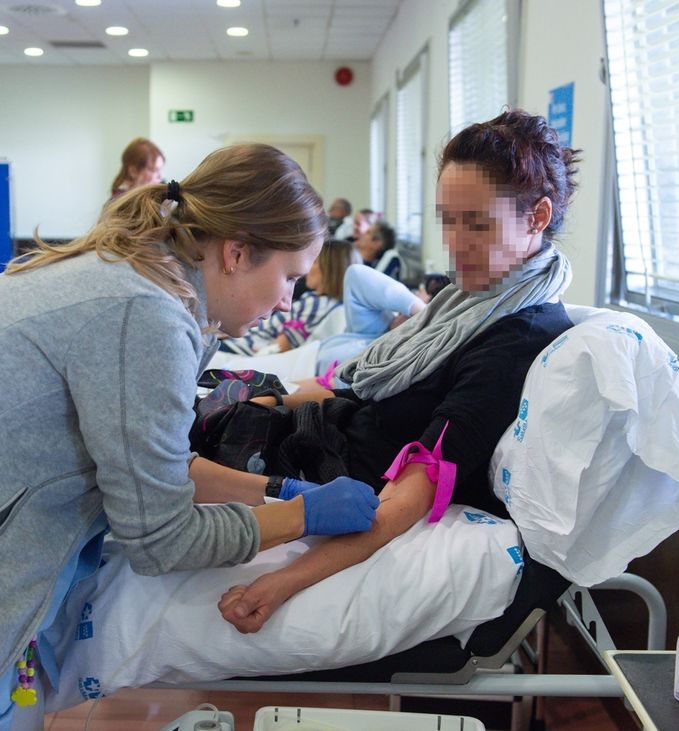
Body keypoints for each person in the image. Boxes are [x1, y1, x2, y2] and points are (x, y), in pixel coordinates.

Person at [0, 143, 380, 729]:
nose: (288, 301)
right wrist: (300, 517)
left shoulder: (126, 275)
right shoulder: (146, 316)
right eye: (290, 277)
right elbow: (161, 537)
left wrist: (272, 487)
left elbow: (152, 465)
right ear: (236, 251)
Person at [216, 110, 581, 634]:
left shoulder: (516, 337)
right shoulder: (460, 302)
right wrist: (262, 395)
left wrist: (280, 583)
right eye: (447, 220)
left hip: (319, 475)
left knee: (163, 475)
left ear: (537, 216)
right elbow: (349, 381)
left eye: (476, 222)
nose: (456, 243)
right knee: (199, 420)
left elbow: (410, 495)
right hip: (312, 434)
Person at [220, 239, 354, 356]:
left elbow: (281, 346)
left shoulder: (316, 303)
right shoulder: (332, 305)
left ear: (329, 269)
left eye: (314, 262)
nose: (307, 270)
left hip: (243, 349)